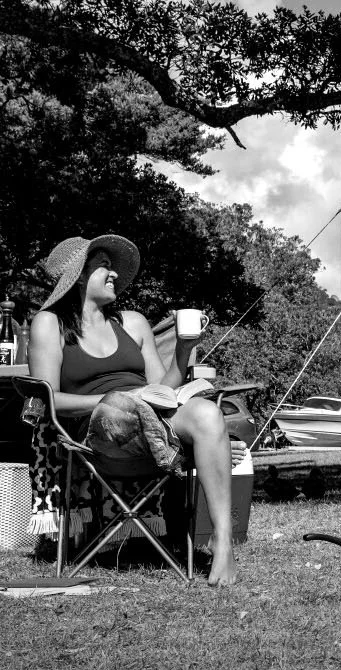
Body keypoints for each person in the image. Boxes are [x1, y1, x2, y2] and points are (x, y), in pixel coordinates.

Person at [27, 235, 240, 586]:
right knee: (118, 407)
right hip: (101, 435)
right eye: (104, 267)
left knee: (207, 413)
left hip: (153, 420)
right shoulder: (50, 324)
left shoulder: (133, 323)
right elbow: (51, 400)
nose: (113, 275)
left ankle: (223, 542)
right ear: (79, 276)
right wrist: (124, 397)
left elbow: (164, 387)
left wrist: (184, 350)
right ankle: (185, 450)